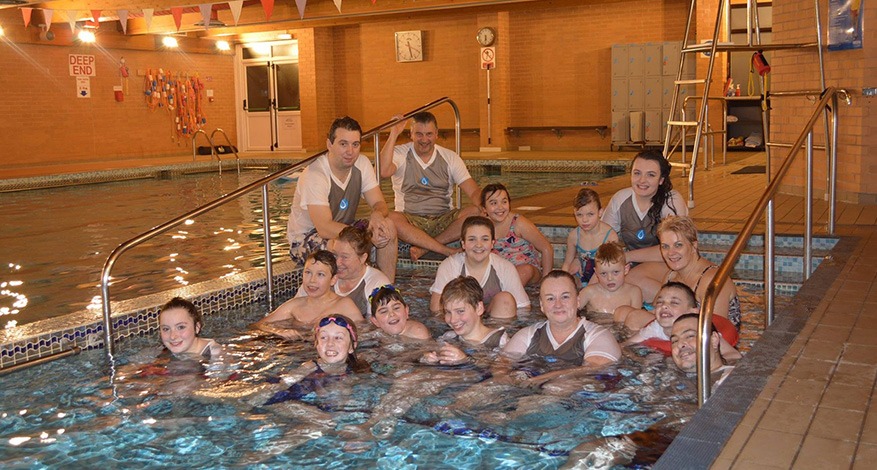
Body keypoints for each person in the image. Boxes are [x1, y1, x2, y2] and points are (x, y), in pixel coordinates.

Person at [287, 116, 398, 281]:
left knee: (387, 227)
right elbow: (324, 228)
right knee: (344, 246)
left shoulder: (362, 164)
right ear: (329, 145)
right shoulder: (316, 174)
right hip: (307, 238)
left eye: (355, 144)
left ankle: (386, 288)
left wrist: (377, 215)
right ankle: (347, 292)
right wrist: (363, 236)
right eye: (343, 144)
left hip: (345, 230)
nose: (350, 151)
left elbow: (379, 203)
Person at [379, 111, 481, 260]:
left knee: (476, 212)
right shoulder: (401, 153)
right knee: (391, 219)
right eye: (419, 134)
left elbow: (473, 192)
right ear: (411, 134)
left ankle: (424, 248)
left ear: (437, 134)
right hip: (410, 220)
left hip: (443, 218)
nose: (424, 139)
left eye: (429, 134)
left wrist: (487, 208)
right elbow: (383, 171)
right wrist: (393, 134)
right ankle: (444, 250)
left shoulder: (449, 157)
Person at [502, 270, 621, 386]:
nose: (558, 305)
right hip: (534, 390)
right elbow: (501, 365)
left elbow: (593, 370)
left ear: (578, 301)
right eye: (550, 298)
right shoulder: (528, 335)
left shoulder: (598, 336)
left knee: (557, 387)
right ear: (542, 306)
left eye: (565, 297)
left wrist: (542, 379)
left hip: (584, 399)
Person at [601, 149, 687, 302]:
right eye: (637, 173)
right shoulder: (621, 199)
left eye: (651, 175)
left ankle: (678, 304)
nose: (642, 180)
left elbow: (674, 250)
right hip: (635, 264)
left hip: (671, 263)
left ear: (661, 179)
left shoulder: (671, 201)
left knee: (631, 280)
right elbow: (604, 240)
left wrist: (625, 256)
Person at [658, 215, 741, 346]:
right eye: (665, 246)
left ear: (693, 246)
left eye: (678, 245)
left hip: (714, 345)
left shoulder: (713, 280)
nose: (671, 253)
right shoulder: (670, 277)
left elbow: (717, 330)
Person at [430, 216, 530, 318]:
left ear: (492, 243)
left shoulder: (505, 268)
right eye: (472, 239)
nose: (478, 245)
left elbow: (523, 309)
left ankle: (495, 334)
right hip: (460, 322)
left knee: (505, 299)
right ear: (463, 244)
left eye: (485, 239)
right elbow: (436, 308)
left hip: (493, 322)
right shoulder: (450, 266)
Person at [253, 250, 364, 339]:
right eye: (308, 272)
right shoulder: (294, 305)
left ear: (333, 279)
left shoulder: (344, 306)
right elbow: (258, 326)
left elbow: (365, 335)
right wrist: (278, 331)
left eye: (320, 274)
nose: (312, 280)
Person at [264, 315, 371, 406]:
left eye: (338, 338)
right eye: (323, 337)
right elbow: (280, 388)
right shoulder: (309, 367)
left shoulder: (359, 370)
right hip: (292, 404)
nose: (330, 343)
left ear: (352, 347)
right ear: (316, 344)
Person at [625, 282, 741, 361]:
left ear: (692, 312)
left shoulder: (702, 330)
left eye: (674, 303)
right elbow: (627, 344)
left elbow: (733, 355)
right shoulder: (655, 327)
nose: (664, 306)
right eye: (660, 302)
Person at [295, 226, 391, 319]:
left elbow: (376, 328)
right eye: (335, 255)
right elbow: (295, 307)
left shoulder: (377, 284)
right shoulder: (324, 275)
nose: (337, 262)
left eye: (344, 257)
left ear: (362, 258)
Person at [423, 276, 510, 365]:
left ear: (479, 308)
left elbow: (502, 373)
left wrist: (466, 360)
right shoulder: (449, 337)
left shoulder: (499, 341)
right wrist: (427, 358)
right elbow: (424, 353)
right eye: (448, 312)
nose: (453, 320)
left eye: (460, 311)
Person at [480, 183, 554, 286]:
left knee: (525, 270)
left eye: (504, 202)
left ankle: (507, 293)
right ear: (484, 209)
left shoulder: (518, 223)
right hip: (501, 272)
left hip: (527, 270)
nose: (500, 207)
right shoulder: (482, 227)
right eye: (493, 203)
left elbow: (547, 248)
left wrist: (547, 283)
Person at [561, 188, 619, 287]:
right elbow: (567, 263)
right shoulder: (574, 236)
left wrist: (589, 288)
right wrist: (564, 281)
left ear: (600, 212)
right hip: (581, 277)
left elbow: (611, 268)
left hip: (602, 279)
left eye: (590, 214)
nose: (584, 220)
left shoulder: (610, 236)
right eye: (579, 215)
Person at [670, 313, 735, 388]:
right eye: (674, 341)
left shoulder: (735, 381)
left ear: (713, 340)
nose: (680, 344)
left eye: (690, 336)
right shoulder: (669, 379)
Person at [577, 242, 643, 314]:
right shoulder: (589, 292)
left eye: (615, 272)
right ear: (596, 272)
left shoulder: (634, 293)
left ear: (626, 270)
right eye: (603, 273)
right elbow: (570, 312)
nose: (610, 278)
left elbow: (636, 321)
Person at [158, 297, 223, 359]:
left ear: (197, 327)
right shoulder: (165, 352)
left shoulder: (214, 353)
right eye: (166, 329)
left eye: (181, 327)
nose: (172, 336)